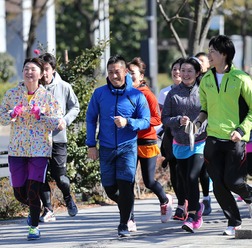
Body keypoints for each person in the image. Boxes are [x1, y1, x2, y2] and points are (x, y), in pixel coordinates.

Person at [86, 55, 150, 237]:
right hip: (106, 147)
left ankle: (123, 224)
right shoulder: (99, 93)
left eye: (117, 72)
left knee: (126, 184)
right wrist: (91, 144)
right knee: (109, 188)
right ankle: (128, 210)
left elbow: (146, 121)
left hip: (127, 146)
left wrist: (128, 122)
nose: (114, 76)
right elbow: (90, 118)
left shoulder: (136, 95)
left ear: (125, 72)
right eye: (111, 72)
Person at [0, 58, 62, 240]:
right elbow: (2, 117)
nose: (29, 72)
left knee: (34, 189)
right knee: (19, 193)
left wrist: (41, 116)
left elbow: (57, 122)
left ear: (42, 73)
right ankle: (38, 208)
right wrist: (12, 113)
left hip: (39, 149)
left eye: (33, 69)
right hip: (17, 149)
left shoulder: (47, 97)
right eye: (26, 68)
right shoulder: (12, 94)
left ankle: (34, 227)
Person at [197, 35, 252, 236]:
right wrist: (198, 122)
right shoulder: (206, 79)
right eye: (209, 50)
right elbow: (205, 107)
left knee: (233, 181)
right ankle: (233, 221)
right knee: (218, 184)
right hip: (213, 138)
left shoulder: (242, 79)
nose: (209, 55)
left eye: (213, 51)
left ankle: (249, 195)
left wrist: (241, 130)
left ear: (224, 55)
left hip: (235, 139)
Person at [162, 57, 206, 233]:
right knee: (184, 181)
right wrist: (178, 120)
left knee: (192, 176)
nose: (185, 74)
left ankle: (193, 216)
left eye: (190, 71)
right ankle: (197, 208)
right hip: (179, 143)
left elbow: (209, 113)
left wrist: (199, 125)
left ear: (197, 73)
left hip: (199, 141)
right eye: (183, 70)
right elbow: (164, 118)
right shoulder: (173, 93)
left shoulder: (203, 91)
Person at [127, 57, 173, 228]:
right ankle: (130, 218)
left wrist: (139, 121)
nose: (129, 76)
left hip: (147, 140)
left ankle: (164, 199)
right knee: (128, 181)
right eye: (127, 73)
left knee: (148, 181)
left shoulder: (147, 94)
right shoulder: (123, 93)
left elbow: (157, 118)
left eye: (132, 73)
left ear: (141, 76)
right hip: (128, 141)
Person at [38, 53, 80, 222]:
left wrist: (65, 120)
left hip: (58, 139)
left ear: (53, 69)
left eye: (47, 69)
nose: (44, 73)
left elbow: (75, 107)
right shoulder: (34, 88)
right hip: (37, 140)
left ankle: (68, 196)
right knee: (39, 175)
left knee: (60, 176)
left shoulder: (64, 87)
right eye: (41, 70)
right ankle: (48, 208)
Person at [158, 58, 188, 221]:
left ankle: (192, 202)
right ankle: (181, 205)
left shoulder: (195, 90)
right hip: (171, 136)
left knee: (188, 173)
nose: (177, 72)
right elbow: (162, 117)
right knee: (175, 172)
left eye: (181, 69)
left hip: (191, 137)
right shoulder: (165, 93)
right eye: (175, 69)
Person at [195, 52, 212, 216]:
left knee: (205, 168)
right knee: (198, 169)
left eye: (202, 61)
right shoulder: (191, 80)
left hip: (210, 131)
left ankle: (206, 197)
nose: (199, 64)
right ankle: (200, 200)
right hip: (194, 131)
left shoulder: (210, 81)